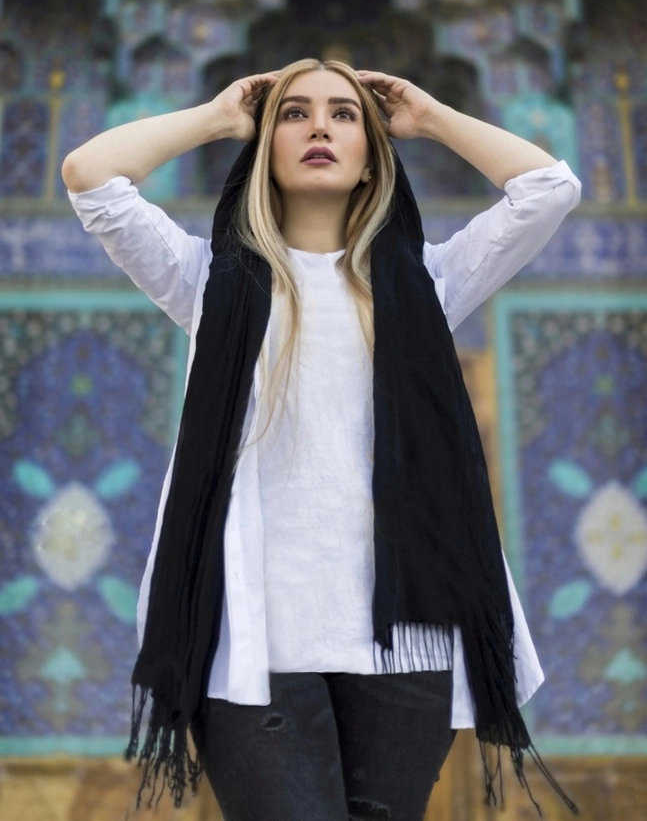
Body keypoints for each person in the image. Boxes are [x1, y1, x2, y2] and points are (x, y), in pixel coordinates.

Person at [62, 59, 582, 821]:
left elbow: (548, 189)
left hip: (402, 639)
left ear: (372, 156)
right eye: (294, 113)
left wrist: (430, 117)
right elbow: (91, 176)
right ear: (263, 147)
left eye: (343, 115)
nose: (318, 128)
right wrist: (218, 117)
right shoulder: (205, 280)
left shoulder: (429, 281)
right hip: (254, 640)